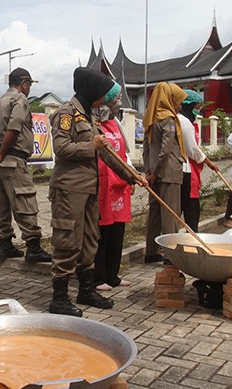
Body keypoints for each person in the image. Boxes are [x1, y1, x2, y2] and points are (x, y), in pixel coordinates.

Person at [47, 68, 146, 317]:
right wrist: (90, 145)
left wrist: (132, 176)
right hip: (70, 190)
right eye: (102, 94)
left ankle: (86, 290)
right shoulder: (66, 114)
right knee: (67, 240)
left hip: (91, 189)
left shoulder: (90, 117)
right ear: (90, 90)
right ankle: (59, 298)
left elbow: (107, 154)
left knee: (90, 239)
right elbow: (61, 148)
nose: (105, 99)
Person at [0, 67, 51, 262]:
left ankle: (5, 245)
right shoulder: (20, 100)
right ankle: (34, 247)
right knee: (24, 201)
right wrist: (2, 154)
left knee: (0, 203)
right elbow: (14, 127)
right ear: (23, 83)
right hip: (12, 159)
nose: (29, 89)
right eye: (28, 85)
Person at [92, 92, 133, 291]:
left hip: (120, 185)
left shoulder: (116, 123)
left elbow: (125, 152)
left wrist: (131, 176)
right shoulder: (93, 123)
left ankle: (112, 274)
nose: (119, 102)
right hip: (104, 183)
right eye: (115, 98)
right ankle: (99, 277)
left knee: (118, 230)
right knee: (103, 231)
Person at [143, 82, 187, 263]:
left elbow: (146, 149)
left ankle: (151, 252)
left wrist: (149, 171)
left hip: (153, 172)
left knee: (154, 213)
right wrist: (157, 172)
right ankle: (170, 255)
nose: (180, 105)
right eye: (178, 101)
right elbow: (166, 149)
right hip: (167, 173)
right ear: (170, 99)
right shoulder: (169, 120)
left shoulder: (150, 118)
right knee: (170, 214)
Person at [178, 89, 218, 231]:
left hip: (193, 168)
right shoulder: (183, 122)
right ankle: (191, 237)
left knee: (189, 207)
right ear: (187, 105)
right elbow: (192, 149)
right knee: (191, 208)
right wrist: (208, 162)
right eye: (196, 107)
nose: (198, 111)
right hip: (187, 169)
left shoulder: (188, 122)